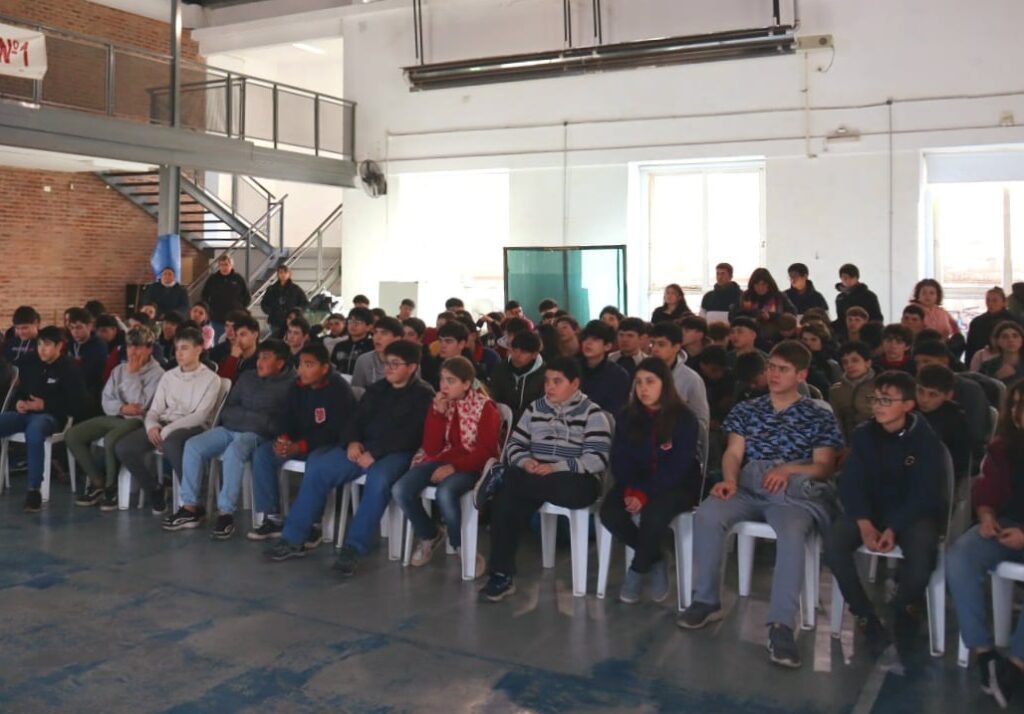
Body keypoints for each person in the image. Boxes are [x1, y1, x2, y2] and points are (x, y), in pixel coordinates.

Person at [677, 341, 843, 669]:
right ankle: (706, 600)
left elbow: (824, 466)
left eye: (783, 369)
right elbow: (734, 452)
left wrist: (788, 470)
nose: (774, 374)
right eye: (771, 367)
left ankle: (781, 625)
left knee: (792, 534)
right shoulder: (747, 409)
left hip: (791, 491)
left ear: (801, 375)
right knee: (708, 514)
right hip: (749, 484)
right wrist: (729, 479)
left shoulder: (817, 414)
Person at [264, 341, 434, 571]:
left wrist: (375, 453)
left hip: (397, 453)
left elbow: (412, 435)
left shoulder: (423, 395)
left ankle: (353, 547)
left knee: (378, 480)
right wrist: (352, 441)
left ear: (412, 367)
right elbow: (355, 419)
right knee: (320, 468)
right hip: (363, 447)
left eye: (396, 364)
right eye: (387, 363)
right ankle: (293, 537)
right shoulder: (377, 389)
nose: (389, 368)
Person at [825, 371, 947, 649]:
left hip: (912, 513)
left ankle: (905, 607)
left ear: (908, 405)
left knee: (922, 555)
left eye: (887, 400)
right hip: (870, 510)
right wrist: (864, 522)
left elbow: (925, 494)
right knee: (833, 545)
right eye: (875, 399)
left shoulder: (926, 439)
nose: (878, 406)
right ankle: (863, 614)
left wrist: (894, 528)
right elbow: (851, 483)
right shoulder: (864, 434)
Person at [475, 357, 612, 602]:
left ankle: (503, 477)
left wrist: (556, 467)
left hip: (575, 480)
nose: (549, 387)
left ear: (575, 384)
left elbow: (597, 458)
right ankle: (501, 575)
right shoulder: (535, 408)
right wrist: (526, 461)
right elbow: (515, 444)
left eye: (557, 382)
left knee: (513, 486)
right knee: (505, 503)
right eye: (547, 381)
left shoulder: (593, 413)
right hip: (536, 474)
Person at [163, 339, 294, 538]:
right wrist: (254, 417)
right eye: (259, 357)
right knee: (193, 445)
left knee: (235, 450)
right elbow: (228, 409)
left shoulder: (290, 385)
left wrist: (250, 418)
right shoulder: (247, 377)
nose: (259, 362)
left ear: (280, 363)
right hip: (230, 428)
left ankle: (226, 514)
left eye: (266, 358)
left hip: (257, 435)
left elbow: (277, 421)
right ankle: (190, 508)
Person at [947, 379, 1024, 709]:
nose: (1018, 412)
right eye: (1015, 404)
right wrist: (987, 515)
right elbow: (987, 492)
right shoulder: (1003, 447)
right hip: (1006, 524)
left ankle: (1017, 665)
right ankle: (984, 652)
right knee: (961, 556)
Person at [600, 357, 702, 603]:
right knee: (610, 513)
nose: (643, 388)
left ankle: (636, 570)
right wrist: (631, 490)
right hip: (634, 482)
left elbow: (678, 466)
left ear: (664, 384)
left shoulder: (684, 418)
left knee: (654, 514)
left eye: (650, 382)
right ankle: (656, 558)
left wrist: (643, 493)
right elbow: (620, 459)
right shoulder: (627, 416)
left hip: (676, 485)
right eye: (638, 382)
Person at [393, 356, 501, 571]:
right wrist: (438, 415)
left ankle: (460, 545)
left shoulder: (485, 408)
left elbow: (486, 452)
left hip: (472, 465)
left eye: (451, 381)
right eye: (442, 379)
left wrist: (454, 468)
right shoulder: (442, 404)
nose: (444, 386)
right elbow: (432, 449)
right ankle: (430, 534)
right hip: (442, 459)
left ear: (466, 384)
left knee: (445, 492)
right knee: (400, 489)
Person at [247, 343, 356, 541]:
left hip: (327, 445)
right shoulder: (296, 386)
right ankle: (272, 518)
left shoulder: (338, 390)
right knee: (263, 454)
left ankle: (313, 524)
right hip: (297, 442)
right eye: (300, 364)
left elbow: (335, 431)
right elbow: (285, 416)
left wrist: (300, 446)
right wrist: (284, 437)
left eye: (309, 365)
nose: (302, 370)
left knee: (317, 463)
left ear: (325, 367)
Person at [114, 327, 222, 515]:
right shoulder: (169, 376)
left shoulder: (211, 379)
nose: (179, 353)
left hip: (193, 426)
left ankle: (192, 501)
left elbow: (201, 415)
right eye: (177, 348)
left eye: (185, 348)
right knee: (124, 447)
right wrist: (152, 427)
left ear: (199, 349)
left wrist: (167, 430)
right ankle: (154, 489)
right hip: (165, 423)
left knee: (171, 443)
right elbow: (154, 410)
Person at [69, 326, 164, 510]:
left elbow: (141, 406)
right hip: (116, 415)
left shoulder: (158, 374)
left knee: (111, 438)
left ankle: (111, 488)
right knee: (73, 435)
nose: (133, 352)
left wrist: (133, 375)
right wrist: (122, 407)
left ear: (149, 348)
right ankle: (97, 481)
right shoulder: (119, 369)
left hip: (139, 422)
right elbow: (106, 400)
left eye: (138, 347)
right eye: (129, 347)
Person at [0, 326, 89, 512]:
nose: (42, 349)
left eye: (47, 345)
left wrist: (45, 405)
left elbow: (78, 405)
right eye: (39, 344)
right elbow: (21, 391)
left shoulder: (69, 368)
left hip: (52, 417)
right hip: (25, 414)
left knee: (34, 431)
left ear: (59, 346)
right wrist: (19, 402)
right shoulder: (31, 362)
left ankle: (34, 490)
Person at [648, 321, 711, 461]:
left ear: (676, 347)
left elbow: (702, 423)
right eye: (652, 344)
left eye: (661, 344)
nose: (655, 349)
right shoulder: (642, 375)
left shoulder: (692, 379)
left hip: (679, 445)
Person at [916, 364, 971, 482]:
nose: (924, 399)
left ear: (948, 395)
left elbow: (960, 464)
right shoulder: (909, 409)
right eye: (920, 391)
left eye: (933, 394)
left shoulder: (955, 420)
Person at [488, 330, 546, 424]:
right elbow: (493, 396)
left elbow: (542, 408)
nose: (517, 356)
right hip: (501, 421)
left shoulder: (544, 375)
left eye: (523, 352)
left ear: (534, 355)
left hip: (532, 424)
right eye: (514, 350)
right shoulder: (501, 369)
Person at [577, 320, 631, 416]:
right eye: (585, 339)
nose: (588, 343)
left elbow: (615, 410)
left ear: (607, 346)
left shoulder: (618, 375)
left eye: (595, 339)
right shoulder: (571, 369)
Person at [830, 342, 876, 444]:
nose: (849, 365)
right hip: (850, 442)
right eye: (845, 362)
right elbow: (836, 422)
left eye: (855, 360)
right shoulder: (836, 391)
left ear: (868, 363)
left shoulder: (880, 386)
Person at [65, 307, 108, 408]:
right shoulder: (71, 343)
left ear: (89, 326)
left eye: (79, 327)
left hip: (91, 393)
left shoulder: (98, 345)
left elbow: (90, 375)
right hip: (72, 388)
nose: (75, 332)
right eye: (72, 328)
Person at [202, 254, 251, 341]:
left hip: (236, 319)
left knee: (236, 341)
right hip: (217, 319)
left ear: (231, 265)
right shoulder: (213, 279)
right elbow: (204, 295)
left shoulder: (238, 279)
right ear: (219, 266)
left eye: (226, 264)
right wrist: (209, 310)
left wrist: (241, 309)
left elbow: (247, 297)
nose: (224, 267)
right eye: (221, 265)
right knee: (219, 342)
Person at [966, 287, 1016, 366]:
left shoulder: (1013, 321)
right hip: (981, 361)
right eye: (988, 300)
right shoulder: (977, 322)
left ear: (1004, 302)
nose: (990, 303)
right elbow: (970, 348)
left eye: (994, 300)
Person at [352, 317, 404, 389]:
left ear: (397, 339)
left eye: (384, 333)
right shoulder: (364, 360)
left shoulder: (407, 361)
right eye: (375, 332)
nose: (377, 337)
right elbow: (357, 391)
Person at [260, 262, 309, 336]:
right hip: (275, 321)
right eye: (280, 272)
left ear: (289, 274)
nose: (283, 274)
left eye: (285, 272)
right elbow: (264, 303)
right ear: (277, 274)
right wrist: (270, 312)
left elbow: (305, 303)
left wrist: (296, 313)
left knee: (291, 338)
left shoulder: (295, 289)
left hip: (291, 321)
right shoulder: (271, 289)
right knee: (276, 339)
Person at [330, 306, 374, 375]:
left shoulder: (372, 347)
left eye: (358, 322)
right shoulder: (339, 346)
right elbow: (333, 368)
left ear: (369, 327)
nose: (353, 325)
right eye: (350, 321)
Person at [216, 315, 261, 382]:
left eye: (242, 335)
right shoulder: (228, 356)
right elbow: (221, 383)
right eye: (236, 335)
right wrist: (233, 358)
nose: (238, 340)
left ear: (255, 335)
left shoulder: (261, 361)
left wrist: (233, 358)